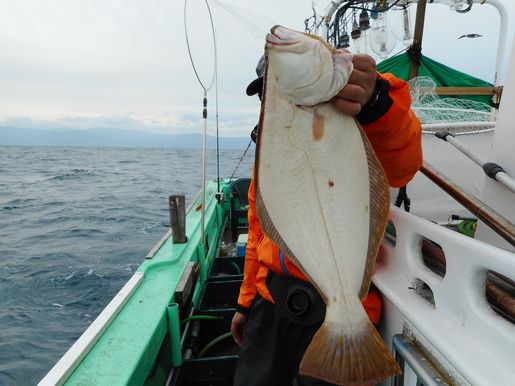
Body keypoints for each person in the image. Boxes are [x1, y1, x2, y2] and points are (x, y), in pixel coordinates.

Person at [231, 53, 423, 386]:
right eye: (266, 94)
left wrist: (376, 100)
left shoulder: (353, 121)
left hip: (339, 300)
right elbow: (258, 232)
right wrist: (245, 303)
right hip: (271, 300)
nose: (269, 100)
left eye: (275, 89)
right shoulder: (269, 155)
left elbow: (404, 164)